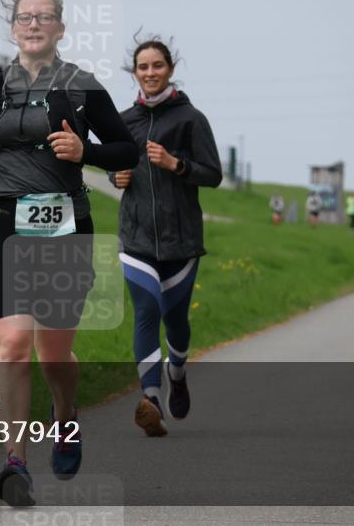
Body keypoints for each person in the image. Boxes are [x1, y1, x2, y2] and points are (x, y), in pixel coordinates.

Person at [0, 0, 138, 507]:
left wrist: (85, 151)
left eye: (45, 17)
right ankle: (14, 462)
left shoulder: (82, 86)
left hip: (62, 225)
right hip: (1, 221)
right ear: (13, 28)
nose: (34, 24)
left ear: (60, 29)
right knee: (12, 342)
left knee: (53, 354)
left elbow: (127, 150)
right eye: (25, 17)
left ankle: (65, 416)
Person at [109, 36, 222, 437]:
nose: (150, 72)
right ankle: (151, 400)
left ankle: (177, 373)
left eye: (157, 65)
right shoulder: (123, 121)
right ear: (135, 73)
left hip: (181, 240)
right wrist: (116, 176)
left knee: (175, 321)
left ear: (170, 70)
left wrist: (176, 164)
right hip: (136, 237)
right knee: (146, 311)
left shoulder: (191, 119)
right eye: (143, 67)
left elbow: (213, 174)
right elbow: (112, 164)